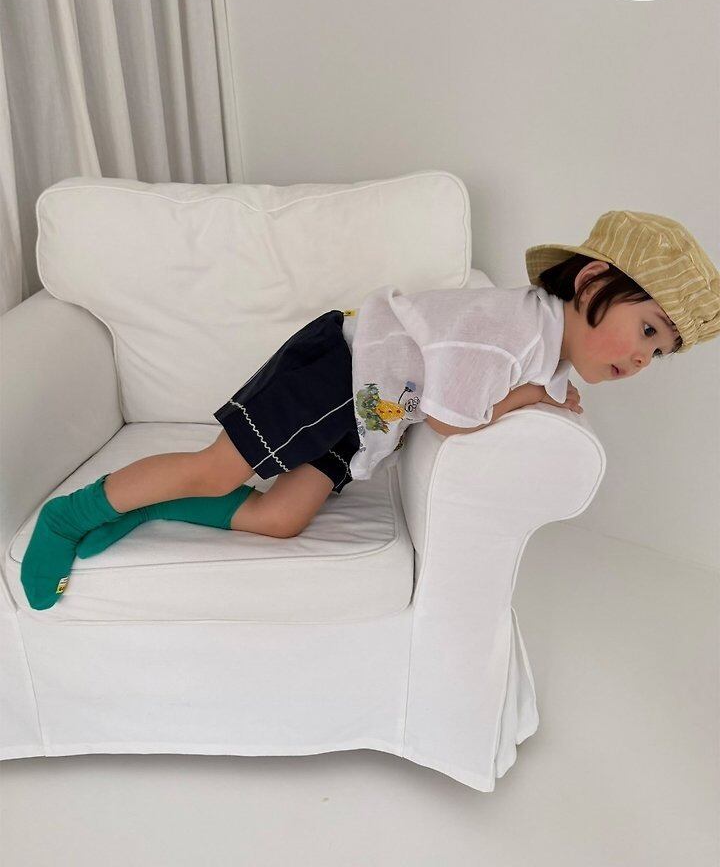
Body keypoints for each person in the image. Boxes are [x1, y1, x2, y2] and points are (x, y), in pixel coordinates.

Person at [20, 210, 720, 610]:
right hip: (338, 376)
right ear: (592, 281)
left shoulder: (543, 344)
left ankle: (145, 507)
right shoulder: (512, 332)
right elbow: (451, 417)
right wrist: (532, 397)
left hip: (368, 411)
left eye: (660, 352)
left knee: (280, 517)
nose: (642, 358)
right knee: (215, 469)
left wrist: (543, 388)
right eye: (648, 330)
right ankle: (69, 516)